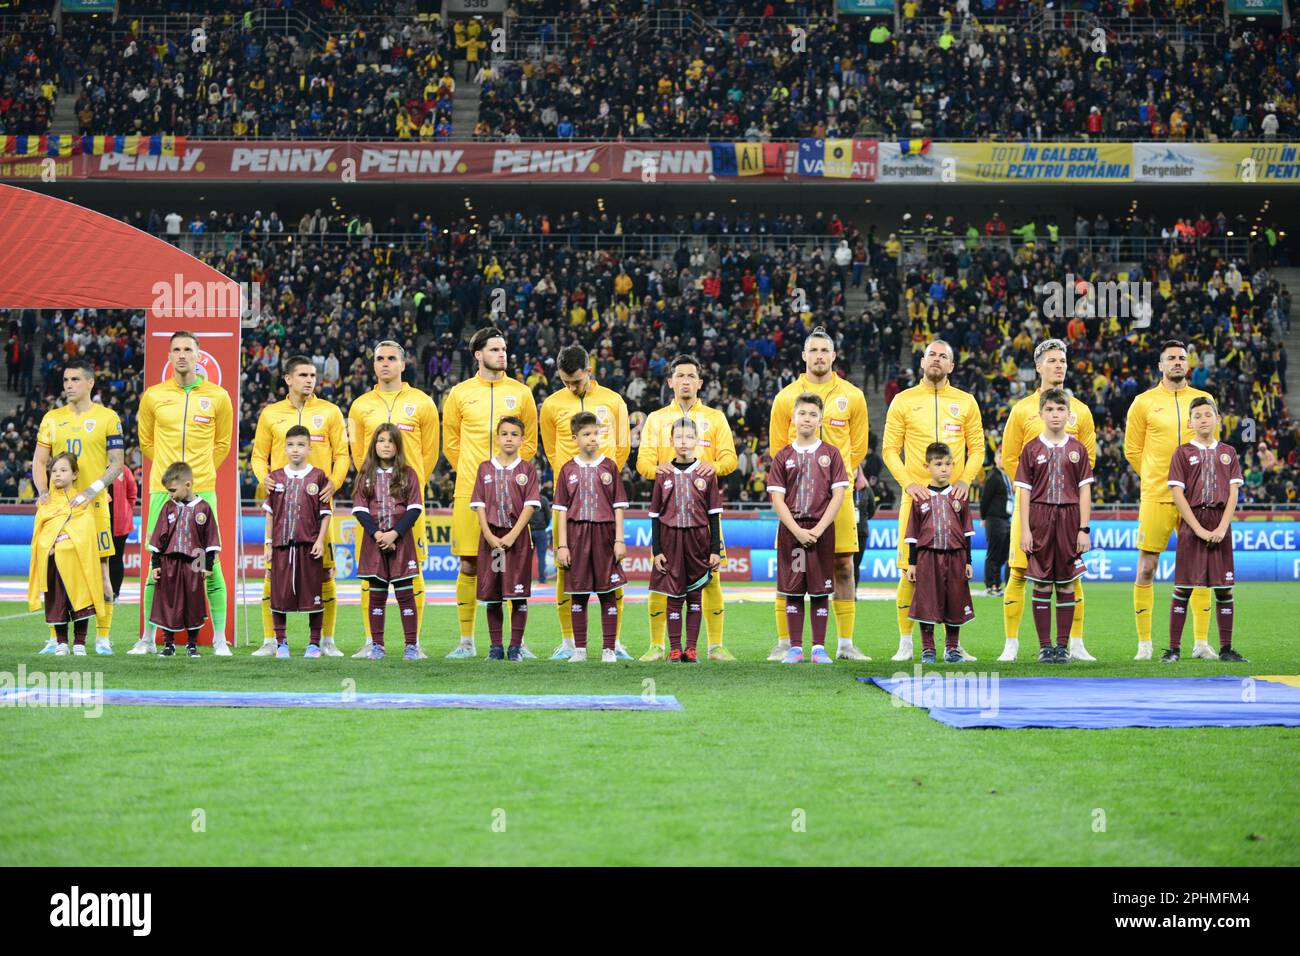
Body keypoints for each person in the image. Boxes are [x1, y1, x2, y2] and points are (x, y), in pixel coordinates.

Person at [766, 328, 871, 662]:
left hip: (837, 495)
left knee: (843, 565)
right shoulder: (785, 398)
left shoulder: (852, 396)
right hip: (796, 498)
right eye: (813, 350)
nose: (819, 356)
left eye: (825, 350)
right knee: (789, 566)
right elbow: (776, 447)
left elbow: (859, 446)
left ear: (834, 355)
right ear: (803, 355)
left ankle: (845, 644)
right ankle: (786, 642)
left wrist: (839, 480)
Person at [129, 333, 233, 656]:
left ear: (199, 356)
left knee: (209, 566)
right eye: (176, 350)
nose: (182, 355)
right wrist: (173, 481)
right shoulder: (153, 396)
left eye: (188, 349)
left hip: (203, 491)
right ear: (169, 356)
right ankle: (147, 639)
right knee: (155, 567)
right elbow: (146, 442)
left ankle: (219, 640)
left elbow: (223, 444)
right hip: (162, 492)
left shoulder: (218, 396)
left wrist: (195, 478)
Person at [883, 339, 985, 662]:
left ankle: (953, 645)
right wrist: (909, 484)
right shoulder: (903, 401)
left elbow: (978, 448)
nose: (937, 360)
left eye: (943, 356)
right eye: (931, 355)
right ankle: (906, 643)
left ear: (951, 366)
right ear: (922, 362)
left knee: (955, 574)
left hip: (953, 502)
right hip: (917, 501)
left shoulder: (966, 402)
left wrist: (965, 480)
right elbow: (888, 450)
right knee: (909, 570)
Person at [998, 339, 1098, 661]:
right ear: (1038, 366)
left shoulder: (1080, 410)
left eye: (1063, 361)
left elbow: (1088, 460)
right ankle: (1011, 644)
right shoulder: (1022, 410)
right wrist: (1033, 493)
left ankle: (1076, 643)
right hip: (1033, 509)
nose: (1059, 366)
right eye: (1052, 360)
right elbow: (1011, 457)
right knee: (1018, 571)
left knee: (1071, 575)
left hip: (1067, 509)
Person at [442, 327, 538, 659]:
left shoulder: (522, 393)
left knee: (514, 566)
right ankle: (467, 642)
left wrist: (507, 482)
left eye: (504, 348)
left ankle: (516, 643)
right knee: (469, 564)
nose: (502, 354)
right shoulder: (459, 393)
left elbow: (530, 443)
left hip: (513, 496)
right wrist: (477, 477)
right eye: (495, 349)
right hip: (470, 491)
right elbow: (451, 443)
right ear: (478, 354)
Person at [635, 354, 737, 661]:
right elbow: (642, 464)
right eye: (680, 376)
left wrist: (711, 467)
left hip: (701, 515)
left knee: (711, 577)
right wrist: (661, 470)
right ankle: (657, 646)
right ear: (670, 382)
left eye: (691, 376)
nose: (686, 381)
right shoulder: (655, 419)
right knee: (662, 576)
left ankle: (715, 645)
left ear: (700, 382)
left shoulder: (716, 418)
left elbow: (730, 460)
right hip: (668, 516)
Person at [1124, 340, 1219, 660]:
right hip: (1157, 497)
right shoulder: (1143, 403)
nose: (1177, 362)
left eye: (1182, 358)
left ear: (1188, 364)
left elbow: (1213, 445)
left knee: (1201, 570)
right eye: (1171, 358)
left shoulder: (1203, 401)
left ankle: (1201, 642)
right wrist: (1155, 477)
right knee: (1147, 568)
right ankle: (1144, 645)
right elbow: (1132, 450)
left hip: (1198, 501)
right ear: (1160, 366)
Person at [250, 355, 349, 657]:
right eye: (303, 375)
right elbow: (257, 455)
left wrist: (336, 481)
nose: (309, 380)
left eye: (312, 375)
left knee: (326, 573)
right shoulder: (271, 414)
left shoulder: (330, 412)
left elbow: (343, 454)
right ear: (288, 379)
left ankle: (325, 640)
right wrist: (263, 478)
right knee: (272, 573)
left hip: (317, 511)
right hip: (282, 510)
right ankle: (271, 640)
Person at [538, 344, 631, 660]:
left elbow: (622, 447)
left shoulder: (613, 401)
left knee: (611, 569)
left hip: (604, 503)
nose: (571, 387)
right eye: (565, 381)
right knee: (566, 569)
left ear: (589, 370)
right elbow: (552, 450)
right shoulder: (551, 405)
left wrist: (603, 479)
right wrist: (571, 477)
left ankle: (613, 642)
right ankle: (569, 642)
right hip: (569, 501)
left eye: (575, 381)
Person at [348, 341, 440, 659]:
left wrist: (408, 487)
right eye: (379, 359)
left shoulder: (423, 403)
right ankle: (371, 641)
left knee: (414, 572)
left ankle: (413, 643)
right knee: (370, 573)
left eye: (391, 358)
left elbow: (430, 452)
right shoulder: (360, 406)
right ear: (373, 365)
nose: (385, 363)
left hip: (408, 503)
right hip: (373, 503)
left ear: (403, 363)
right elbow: (359, 453)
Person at [33, 360, 124, 655]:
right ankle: (54, 637)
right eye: (65, 379)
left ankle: (102, 637)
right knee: (52, 569)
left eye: (74, 379)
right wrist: (43, 491)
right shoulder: (51, 418)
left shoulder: (108, 417)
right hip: (58, 509)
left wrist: (90, 491)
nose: (68, 384)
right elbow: (39, 461)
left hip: (94, 506)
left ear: (89, 383)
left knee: (101, 572)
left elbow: (116, 463)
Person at [767, 393, 849, 664]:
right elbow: (777, 499)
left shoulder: (831, 454)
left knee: (820, 590)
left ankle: (818, 648)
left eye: (813, 414)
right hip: (793, 534)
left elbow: (838, 495)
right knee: (793, 590)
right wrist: (797, 531)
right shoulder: (783, 456)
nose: (807, 419)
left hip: (821, 533)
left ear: (820, 420)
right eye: (803, 413)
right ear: (794, 418)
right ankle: (794, 648)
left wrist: (820, 528)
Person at [1164, 397, 1247, 663]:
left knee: (1224, 588)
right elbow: (1178, 494)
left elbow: (1233, 494)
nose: (1202, 419)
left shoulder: (1229, 453)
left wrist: (1222, 527)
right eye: (1197, 416)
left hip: (1221, 522)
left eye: (1207, 415)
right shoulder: (1182, 453)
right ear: (1190, 422)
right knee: (1184, 587)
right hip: (1192, 524)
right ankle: (1173, 649)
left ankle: (1226, 649)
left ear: (1217, 419)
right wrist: (1198, 529)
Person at [1014, 390, 1094, 664]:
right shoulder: (1031, 449)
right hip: (1040, 518)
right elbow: (1024, 492)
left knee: (1067, 586)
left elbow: (1085, 491)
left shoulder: (1078, 449)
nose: (1055, 414)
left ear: (1069, 414)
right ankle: (1045, 647)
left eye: (1060, 409)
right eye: (1049, 410)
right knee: (1042, 585)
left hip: (1070, 520)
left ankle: (1063, 647)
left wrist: (1084, 529)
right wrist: (1025, 529)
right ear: (1041, 414)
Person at [553, 411, 628, 663]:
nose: (592, 438)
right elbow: (561, 512)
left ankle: (608, 648)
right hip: (576, 535)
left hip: (605, 535)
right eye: (586, 434)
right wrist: (562, 545)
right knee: (579, 594)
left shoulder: (609, 467)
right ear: (575, 437)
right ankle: (580, 649)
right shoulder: (567, 469)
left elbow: (618, 506)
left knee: (608, 593)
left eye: (596, 433)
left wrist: (619, 539)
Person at [649, 417, 723, 663]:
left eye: (689, 437)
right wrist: (656, 550)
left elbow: (713, 515)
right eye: (678, 437)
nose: (683, 442)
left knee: (694, 596)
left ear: (697, 441)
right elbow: (655, 516)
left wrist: (715, 550)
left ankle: (691, 649)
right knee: (674, 597)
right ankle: (674, 648)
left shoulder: (706, 472)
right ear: (671, 441)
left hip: (698, 540)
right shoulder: (663, 473)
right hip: (670, 542)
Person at [350, 424, 425, 661]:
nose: (385, 445)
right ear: (374, 445)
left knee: (405, 595)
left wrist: (394, 534)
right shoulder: (365, 474)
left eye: (391, 441)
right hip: (374, 544)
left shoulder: (408, 473)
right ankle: (378, 646)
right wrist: (377, 535)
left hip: (401, 542)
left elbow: (414, 509)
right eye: (381, 440)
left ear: (398, 446)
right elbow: (360, 510)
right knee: (376, 596)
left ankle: (411, 646)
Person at [470, 416, 541, 661]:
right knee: (493, 595)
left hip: (517, 540)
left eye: (514, 434)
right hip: (491, 541)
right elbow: (478, 505)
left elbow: (530, 506)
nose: (509, 438)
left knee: (517, 594)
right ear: (497, 438)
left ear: (522, 439)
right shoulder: (485, 468)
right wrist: (489, 535)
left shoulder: (527, 469)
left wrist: (512, 535)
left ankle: (515, 647)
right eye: (504, 434)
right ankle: (496, 647)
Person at [262, 426, 333, 659]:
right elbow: (270, 513)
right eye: (291, 444)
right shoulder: (276, 477)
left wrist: (321, 541)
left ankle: (314, 644)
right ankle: (281, 643)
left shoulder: (319, 476)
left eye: (301, 445)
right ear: (284, 448)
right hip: (282, 546)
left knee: (313, 594)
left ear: (310, 449)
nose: (295, 449)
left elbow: (326, 513)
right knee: (279, 595)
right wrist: (268, 543)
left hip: (309, 546)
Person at [28, 452, 106, 656]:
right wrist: (48, 546)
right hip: (53, 561)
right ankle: (61, 642)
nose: (57, 475)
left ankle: (80, 642)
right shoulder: (45, 503)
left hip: (77, 561)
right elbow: (40, 534)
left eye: (63, 470)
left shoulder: (82, 501)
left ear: (74, 474)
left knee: (81, 600)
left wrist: (67, 543)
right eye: (53, 471)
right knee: (56, 601)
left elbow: (85, 532)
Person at [904, 442, 976, 665]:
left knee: (955, 601)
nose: (944, 468)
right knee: (927, 602)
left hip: (956, 557)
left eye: (948, 464)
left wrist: (968, 561)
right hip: (927, 557)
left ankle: (952, 648)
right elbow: (913, 535)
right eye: (938, 464)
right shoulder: (920, 498)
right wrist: (912, 563)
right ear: (928, 466)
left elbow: (967, 532)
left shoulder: (959, 497)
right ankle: (928, 649)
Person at [147, 462, 220, 658]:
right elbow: (159, 538)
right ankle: (168, 644)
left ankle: (192, 644)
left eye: (172, 490)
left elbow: (209, 539)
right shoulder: (168, 508)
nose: (170, 494)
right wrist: (156, 564)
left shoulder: (204, 508)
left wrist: (207, 564)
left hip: (194, 563)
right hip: (169, 563)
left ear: (187, 485)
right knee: (168, 603)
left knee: (193, 604)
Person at [980, 449, 1012, 597]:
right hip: (995, 519)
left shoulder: (1007, 476)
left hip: (1006, 519)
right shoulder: (993, 476)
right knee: (993, 554)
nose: (1003, 460)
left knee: (1003, 555)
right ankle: (990, 585)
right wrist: (983, 517)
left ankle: (997, 585)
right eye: (1001, 457)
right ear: (996, 459)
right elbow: (985, 498)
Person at [108, 466, 137, 601]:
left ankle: (115, 593)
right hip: (98, 523)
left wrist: (126, 513)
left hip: (120, 524)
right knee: (95, 560)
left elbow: (132, 494)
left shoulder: (123, 470)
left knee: (116, 558)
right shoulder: (95, 467)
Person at [529, 489, 551, 584]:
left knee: (526, 558)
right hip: (541, 531)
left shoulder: (527, 499)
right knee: (542, 556)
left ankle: (525, 578)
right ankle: (542, 579)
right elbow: (548, 516)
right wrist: (544, 525)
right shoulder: (543, 499)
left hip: (529, 531)